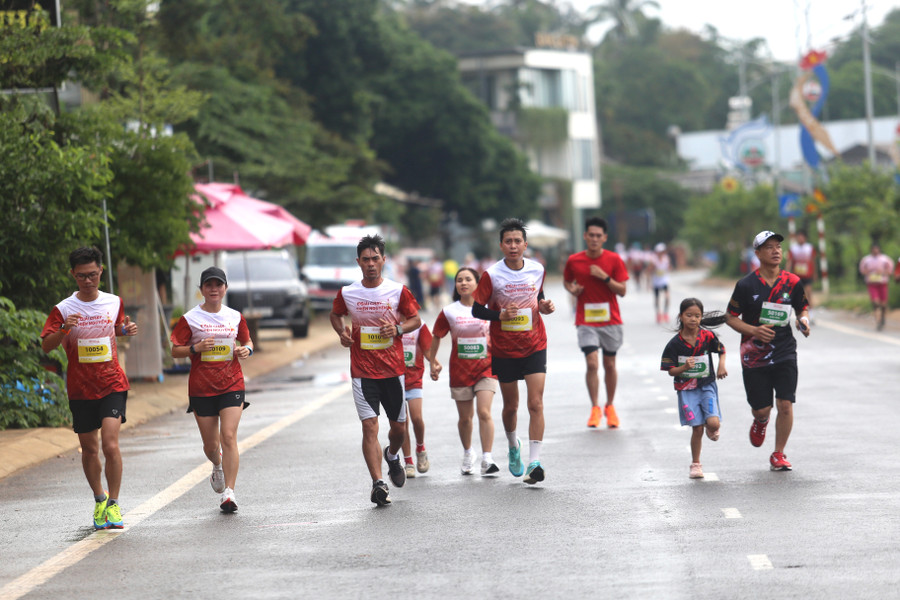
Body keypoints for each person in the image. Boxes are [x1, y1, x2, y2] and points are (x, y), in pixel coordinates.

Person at [40, 246, 139, 530]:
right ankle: (99, 498)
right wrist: (63, 330)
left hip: (112, 383)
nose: (88, 280)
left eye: (93, 274)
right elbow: (47, 345)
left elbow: (116, 327)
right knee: (89, 449)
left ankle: (115, 504)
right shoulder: (64, 309)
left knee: (110, 443)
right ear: (73, 275)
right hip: (81, 388)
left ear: (100, 272)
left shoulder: (113, 301)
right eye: (82, 276)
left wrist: (125, 330)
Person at [331, 234, 421, 506]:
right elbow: (336, 314)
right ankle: (378, 484)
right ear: (358, 262)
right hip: (362, 372)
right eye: (366, 260)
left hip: (393, 371)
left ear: (384, 260)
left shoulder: (397, 290)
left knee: (399, 431)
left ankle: (392, 455)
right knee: (370, 427)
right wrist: (342, 333)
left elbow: (415, 319)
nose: (371, 264)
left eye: (375, 259)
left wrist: (396, 329)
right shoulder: (348, 292)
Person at [472, 218, 555, 484]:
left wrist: (543, 306)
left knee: (536, 403)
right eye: (508, 241)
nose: (513, 245)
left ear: (525, 244)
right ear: (501, 245)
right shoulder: (492, 274)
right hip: (505, 349)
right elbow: (477, 309)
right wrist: (499, 315)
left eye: (517, 241)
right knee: (511, 407)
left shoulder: (536, 269)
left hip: (534, 344)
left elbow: (538, 295)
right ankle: (512, 444)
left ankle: (535, 462)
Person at [726, 231, 810, 472]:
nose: (776, 251)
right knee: (763, 408)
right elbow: (730, 317)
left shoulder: (792, 282)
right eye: (769, 247)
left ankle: (779, 453)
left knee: (785, 404)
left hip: (785, 349)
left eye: (779, 247)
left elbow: (802, 308)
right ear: (758, 253)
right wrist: (754, 331)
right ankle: (760, 420)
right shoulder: (745, 285)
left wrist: (803, 321)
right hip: (754, 355)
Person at [170, 267, 252, 513]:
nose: (214, 289)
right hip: (202, 388)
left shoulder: (235, 316)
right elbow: (175, 350)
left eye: (219, 285)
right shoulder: (190, 319)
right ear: (202, 290)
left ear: (225, 288)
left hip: (232, 383)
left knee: (228, 436)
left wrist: (247, 350)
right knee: (210, 444)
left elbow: (247, 341)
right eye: (209, 285)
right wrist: (195, 348)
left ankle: (229, 492)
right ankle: (216, 464)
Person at [429, 267, 500, 476]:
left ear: (477, 284)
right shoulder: (450, 311)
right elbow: (436, 335)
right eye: (459, 280)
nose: (463, 283)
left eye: (468, 279)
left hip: (487, 368)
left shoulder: (488, 308)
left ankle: (487, 458)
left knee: (484, 412)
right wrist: (432, 361)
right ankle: (468, 452)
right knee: (465, 418)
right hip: (460, 370)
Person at [563, 217, 628, 429]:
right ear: (585, 236)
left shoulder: (614, 260)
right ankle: (595, 408)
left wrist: (605, 277)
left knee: (609, 364)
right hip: (586, 320)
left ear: (604, 238)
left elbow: (623, 290)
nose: (594, 239)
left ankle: (610, 406)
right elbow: (567, 281)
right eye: (591, 235)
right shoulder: (574, 260)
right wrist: (573, 289)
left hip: (611, 320)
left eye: (598, 236)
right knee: (592, 362)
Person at [661, 298, 728, 479]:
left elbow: (721, 350)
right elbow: (670, 371)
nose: (693, 319)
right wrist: (683, 368)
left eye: (697, 316)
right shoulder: (675, 344)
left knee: (713, 424)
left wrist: (722, 365)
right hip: (687, 389)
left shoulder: (707, 337)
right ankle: (696, 464)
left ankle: (711, 425)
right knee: (697, 428)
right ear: (681, 316)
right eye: (689, 315)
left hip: (706, 385)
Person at [400, 323, 433, 479]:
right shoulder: (388, 322)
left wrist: (434, 363)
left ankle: (420, 448)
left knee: (416, 418)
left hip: (414, 379)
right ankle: (408, 462)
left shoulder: (420, 326)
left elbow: (428, 350)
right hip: (393, 380)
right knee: (402, 422)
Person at [859, 243, 893, 331]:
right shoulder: (866, 260)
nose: (875, 251)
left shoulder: (885, 259)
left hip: (882, 283)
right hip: (872, 283)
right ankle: (878, 321)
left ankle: (883, 318)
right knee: (875, 302)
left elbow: (890, 271)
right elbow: (862, 270)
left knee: (883, 303)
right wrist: (868, 272)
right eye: (873, 249)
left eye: (876, 249)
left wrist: (882, 272)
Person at [787, 230, 816, 316]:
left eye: (802, 236)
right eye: (798, 237)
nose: (800, 238)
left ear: (805, 238)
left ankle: (811, 313)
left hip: (807, 275)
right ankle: (800, 313)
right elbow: (789, 261)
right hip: (797, 276)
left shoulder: (809, 248)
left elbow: (813, 261)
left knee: (808, 293)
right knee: (799, 295)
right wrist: (787, 273)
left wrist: (815, 273)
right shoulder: (793, 249)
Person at [649, 242, 672, 323]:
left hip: (664, 280)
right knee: (657, 298)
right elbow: (650, 270)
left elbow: (669, 268)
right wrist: (654, 268)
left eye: (662, 251)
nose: (661, 253)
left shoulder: (666, 258)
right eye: (659, 251)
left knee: (667, 296)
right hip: (656, 281)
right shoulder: (653, 259)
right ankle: (658, 314)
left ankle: (665, 313)